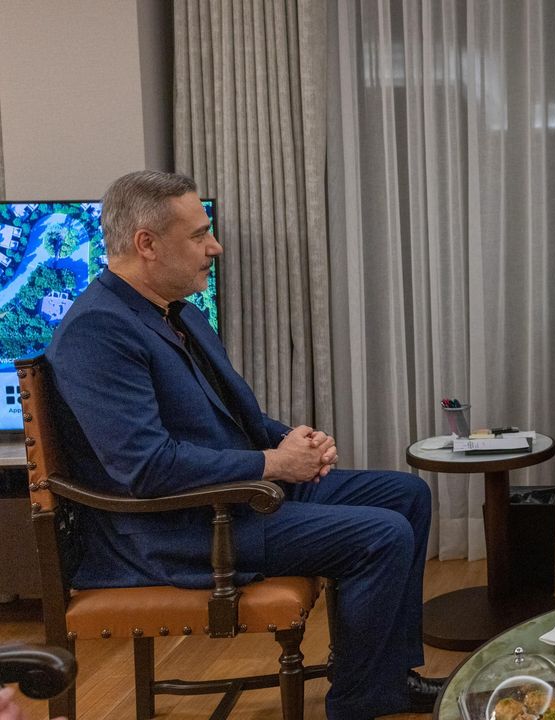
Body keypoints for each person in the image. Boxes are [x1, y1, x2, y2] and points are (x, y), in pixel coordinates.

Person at [45, 171, 440, 719]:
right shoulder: (97, 330)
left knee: (406, 495)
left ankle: (388, 679)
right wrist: (275, 463)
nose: (215, 247)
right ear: (146, 244)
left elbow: (235, 416)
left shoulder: (178, 311)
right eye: (198, 235)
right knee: (381, 534)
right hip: (178, 528)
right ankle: (359, 701)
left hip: (233, 497)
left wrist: (291, 440)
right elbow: (145, 467)